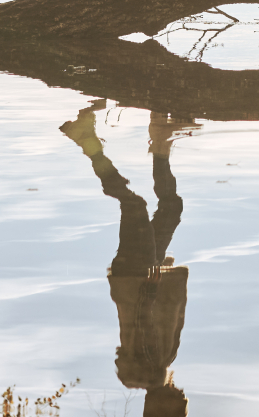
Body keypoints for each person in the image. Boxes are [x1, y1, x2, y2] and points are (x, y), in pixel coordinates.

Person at [61, 106, 194, 417]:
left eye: (180, 409)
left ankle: (88, 141)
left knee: (134, 205)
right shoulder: (154, 369)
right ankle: (160, 142)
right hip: (137, 276)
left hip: (140, 278)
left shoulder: (154, 370)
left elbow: (143, 325)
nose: (184, 400)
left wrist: (150, 288)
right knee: (170, 209)